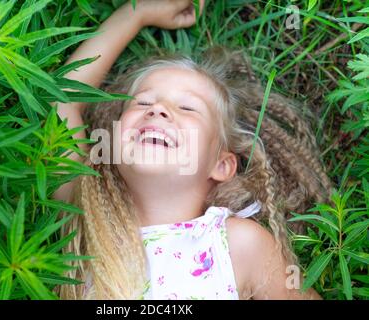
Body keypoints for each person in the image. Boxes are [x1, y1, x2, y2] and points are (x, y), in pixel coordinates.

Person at [52, 0, 330, 300]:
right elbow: (62, 101)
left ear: (221, 165)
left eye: (188, 108)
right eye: (142, 102)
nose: (158, 109)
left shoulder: (240, 245)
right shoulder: (87, 213)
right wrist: (136, 13)